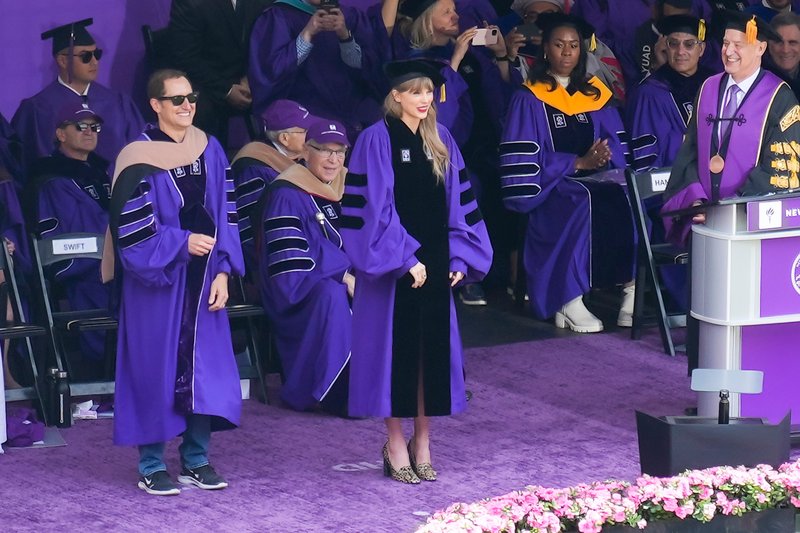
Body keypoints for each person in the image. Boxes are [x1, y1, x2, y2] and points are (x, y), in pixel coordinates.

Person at [340, 59, 492, 483]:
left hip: (437, 264)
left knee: (430, 358)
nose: (425, 99)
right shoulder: (375, 140)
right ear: (396, 96)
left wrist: (459, 257)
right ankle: (394, 442)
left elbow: (461, 204)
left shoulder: (441, 139)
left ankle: (422, 441)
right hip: (392, 270)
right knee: (392, 359)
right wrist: (406, 258)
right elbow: (372, 209)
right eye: (415, 91)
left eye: (428, 92)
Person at [105, 69, 244, 496]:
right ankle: (151, 464)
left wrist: (224, 270)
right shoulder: (136, 156)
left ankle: (196, 459)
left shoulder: (210, 148)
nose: (187, 106)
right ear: (156, 105)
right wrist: (181, 243)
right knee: (154, 371)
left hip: (205, 281)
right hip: (158, 283)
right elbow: (131, 232)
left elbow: (227, 213)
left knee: (203, 370)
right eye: (177, 99)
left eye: (192, 97)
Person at [500, 12, 636, 332]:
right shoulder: (528, 97)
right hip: (551, 184)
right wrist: (576, 163)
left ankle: (630, 290)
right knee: (581, 201)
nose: (567, 52)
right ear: (546, 49)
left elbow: (614, 143)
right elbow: (523, 160)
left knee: (627, 195)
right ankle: (568, 298)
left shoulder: (594, 94)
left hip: (594, 178)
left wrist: (605, 157)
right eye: (559, 44)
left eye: (573, 45)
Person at [661, 11, 800, 245]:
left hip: (750, 227)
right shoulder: (707, 88)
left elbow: (780, 170)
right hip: (703, 222)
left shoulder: (779, 97)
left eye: (739, 45)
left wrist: (729, 208)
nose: (729, 51)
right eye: (726, 43)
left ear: (760, 48)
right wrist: (696, 201)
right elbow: (689, 152)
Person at [257, 119, 353, 414]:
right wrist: (342, 274)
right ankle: (340, 392)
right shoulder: (286, 193)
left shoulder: (348, 186)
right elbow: (290, 263)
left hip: (350, 279)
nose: (333, 160)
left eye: (340, 152)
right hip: (302, 289)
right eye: (324, 150)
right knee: (331, 295)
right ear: (306, 152)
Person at [31, 104, 112, 379]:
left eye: (95, 127)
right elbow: (80, 231)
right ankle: (102, 376)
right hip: (82, 269)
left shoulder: (103, 173)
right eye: (80, 126)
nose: (90, 132)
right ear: (60, 134)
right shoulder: (52, 179)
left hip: (112, 261)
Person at [12, 19, 145, 175]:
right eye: (85, 56)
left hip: (117, 186)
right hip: (63, 188)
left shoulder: (118, 103)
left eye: (97, 54)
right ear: (63, 60)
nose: (94, 62)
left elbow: (141, 151)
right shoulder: (37, 109)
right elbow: (21, 165)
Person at [248, 0, 384, 142]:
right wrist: (307, 34)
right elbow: (272, 71)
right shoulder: (278, 16)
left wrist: (344, 35)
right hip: (304, 107)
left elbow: (368, 68)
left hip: (352, 106)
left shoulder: (350, 16)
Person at [168, 0, 272, 144]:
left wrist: (250, 77)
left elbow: (266, 42)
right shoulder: (190, 3)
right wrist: (227, 89)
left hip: (248, 76)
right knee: (198, 106)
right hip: (208, 81)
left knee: (286, 86)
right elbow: (186, 58)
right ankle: (209, 155)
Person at [231, 99, 315, 275]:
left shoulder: (302, 161)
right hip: (280, 263)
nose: (312, 135)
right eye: (305, 132)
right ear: (284, 138)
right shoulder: (253, 167)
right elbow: (250, 232)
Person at [628, 15, 713, 171]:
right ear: (666, 48)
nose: (680, 51)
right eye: (673, 44)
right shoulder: (650, 92)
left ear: (701, 49)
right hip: (675, 178)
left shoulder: (714, 84)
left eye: (689, 44)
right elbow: (647, 155)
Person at [765, 12, 800, 98]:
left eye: (792, 42)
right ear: (769, 44)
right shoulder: (757, 80)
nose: (785, 50)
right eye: (779, 42)